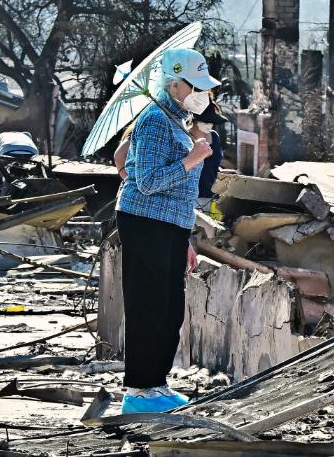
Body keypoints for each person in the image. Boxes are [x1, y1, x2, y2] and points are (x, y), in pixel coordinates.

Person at [115, 47, 219, 414]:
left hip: (168, 225)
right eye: (196, 85)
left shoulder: (175, 121)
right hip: (145, 222)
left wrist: (185, 238)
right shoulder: (154, 121)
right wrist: (192, 160)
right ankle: (138, 393)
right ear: (175, 84)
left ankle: (155, 385)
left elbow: (176, 192)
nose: (202, 94)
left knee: (170, 310)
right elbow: (145, 182)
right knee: (149, 307)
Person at [190, 101, 226, 202]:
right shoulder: (185, 138)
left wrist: (221, 172)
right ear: (195, 119)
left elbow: (212, 164)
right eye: (206, 122)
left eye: (211, 122)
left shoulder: (214, 137)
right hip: (193, 197)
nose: (209, 126)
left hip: (213, 196)